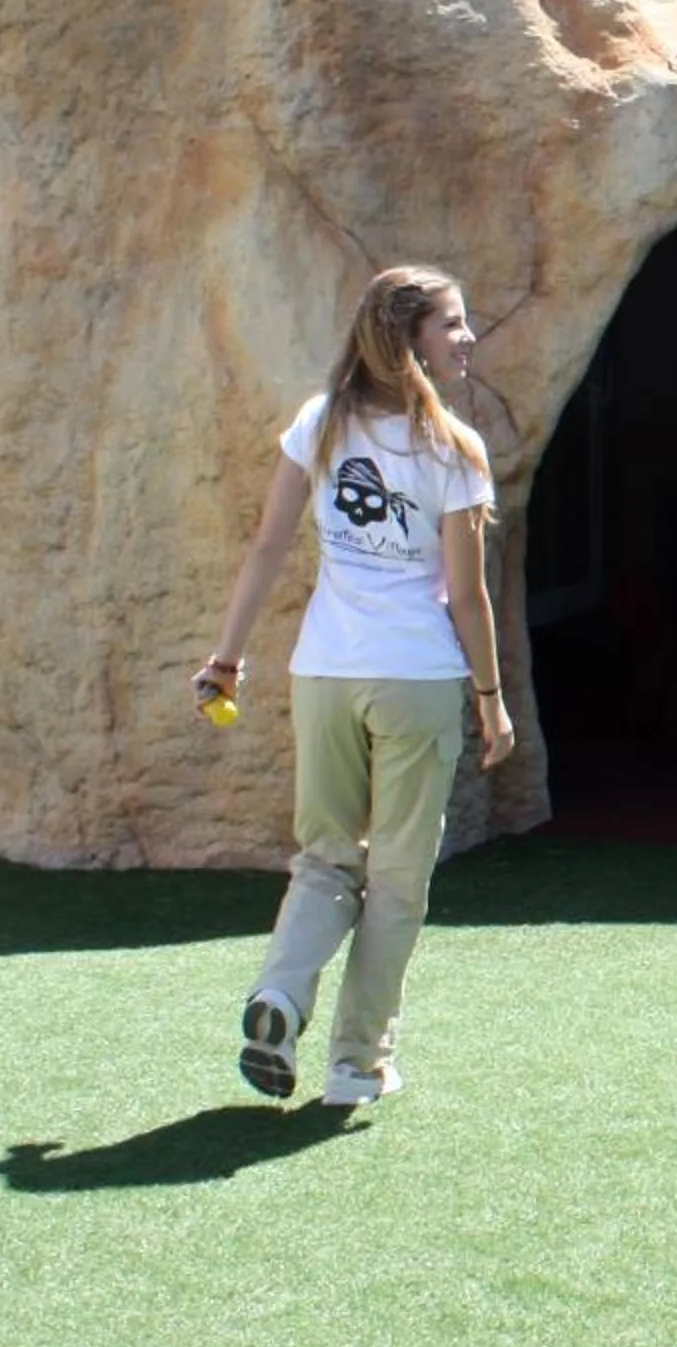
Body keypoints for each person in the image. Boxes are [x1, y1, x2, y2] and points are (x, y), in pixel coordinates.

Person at [196, 266, 517, 1109]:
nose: (467, 336)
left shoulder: (321, 422)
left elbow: (268, 547)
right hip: (415, 680)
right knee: (399, 880)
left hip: (323, 674)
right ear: (408, 336)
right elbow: (470, 592)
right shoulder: (455, 448)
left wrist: (227, 658)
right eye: (451, 323)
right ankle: (355, 1066)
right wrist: (492, 699)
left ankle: (282, 994)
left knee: (324, 858)